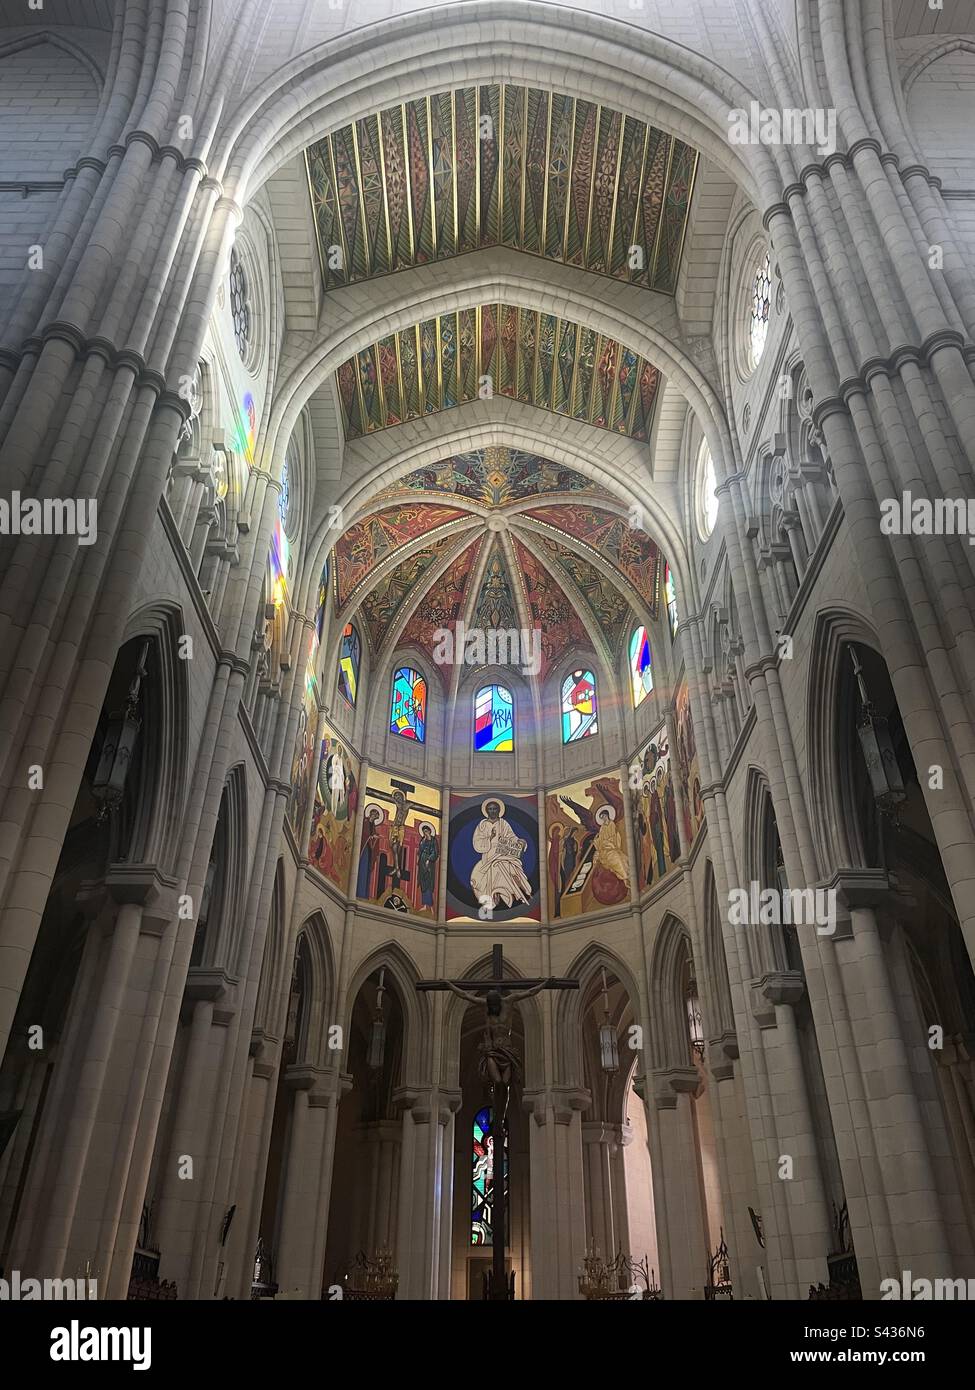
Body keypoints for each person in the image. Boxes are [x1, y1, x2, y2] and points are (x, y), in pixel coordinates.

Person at [470, 799, 533, 910]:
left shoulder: (503, 823)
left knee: (511, 868)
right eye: (490, 809)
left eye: (495, 809)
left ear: (499, 810)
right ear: (486, 811)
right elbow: (477, 842)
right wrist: (490, 837)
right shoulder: (482, 825)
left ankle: (519, 892)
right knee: (494, 871)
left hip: (503, 853)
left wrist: (520, 842)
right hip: (489, 855)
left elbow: (512, 837)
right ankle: (495, 896)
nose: (493, 811)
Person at [417, 822, 439, 913]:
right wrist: (423, 842)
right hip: (422, 861)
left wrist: (429, 859)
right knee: (423, 883)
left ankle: (431, 907)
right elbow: (420, 850)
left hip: (430, 864)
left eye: (426, 831)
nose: (425, 833)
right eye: (423, 831)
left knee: (429, 883)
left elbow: (435, 852)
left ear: (430, 831)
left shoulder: (434, 840)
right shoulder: (423, 840)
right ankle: (425, 906)